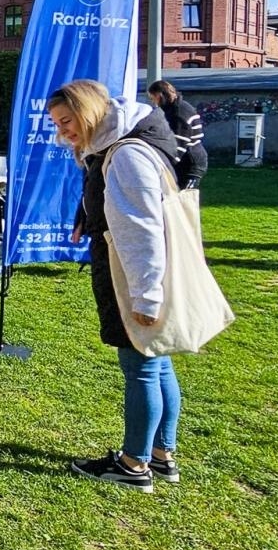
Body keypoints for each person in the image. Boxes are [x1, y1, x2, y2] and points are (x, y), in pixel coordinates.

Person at [47, 79, 183, 493]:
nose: (62, 131)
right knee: (157, 362)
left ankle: (134, 464)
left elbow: (143, 231)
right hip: (136, 272)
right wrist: (86, 214)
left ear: (87, 111)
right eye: (57, 123)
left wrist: (146, 296)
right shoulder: (117, 145)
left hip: (134, 276)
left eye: (66, 121)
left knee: (141, 366)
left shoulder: (125, 154)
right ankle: (161, 454)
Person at [146, 80, 208, 190]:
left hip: (190, 162)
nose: (153, 102)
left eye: (152, 98)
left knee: (185, 196)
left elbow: (179, 143)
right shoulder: (173, 108)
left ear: (159, 95)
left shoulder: (179, 112)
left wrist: (166, 164)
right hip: (185, 160)